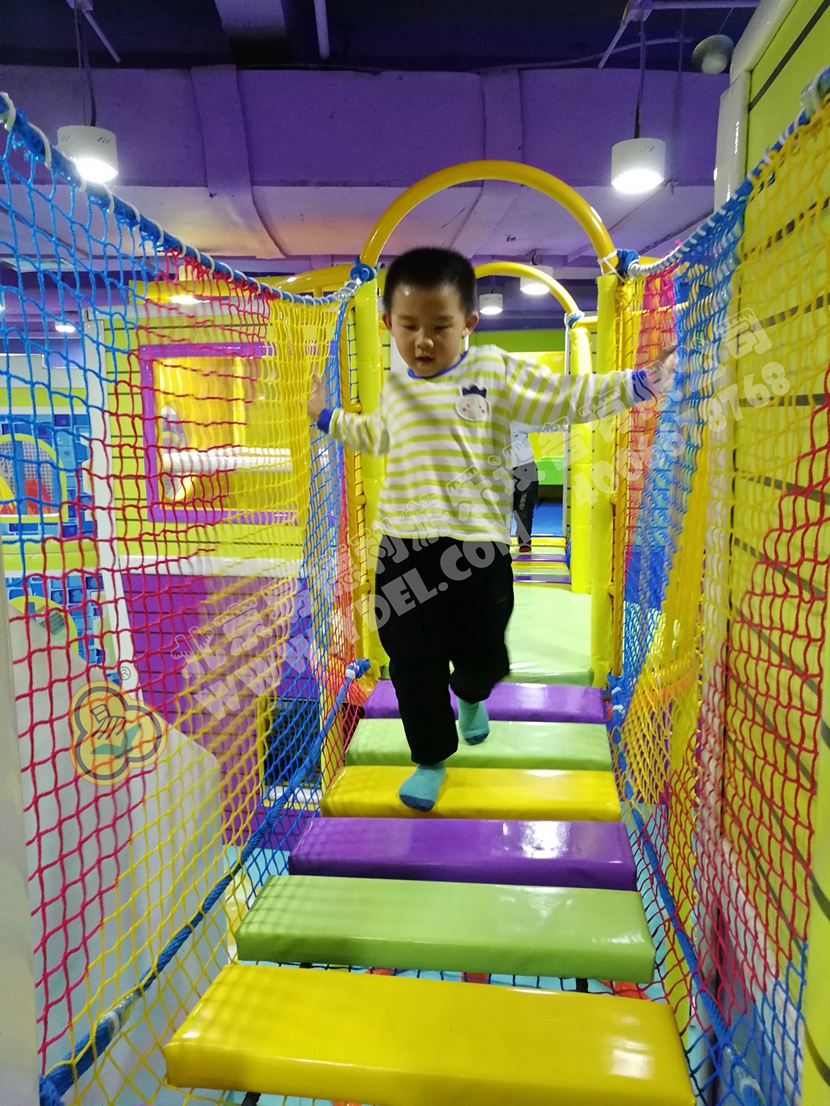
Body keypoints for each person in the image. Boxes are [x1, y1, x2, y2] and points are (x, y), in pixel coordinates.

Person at [308, 247, 676, 812]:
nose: (422, 342)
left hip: (477, 550)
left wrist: (638, 384)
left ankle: (472, 692)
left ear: (469, 324)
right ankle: (431, 757)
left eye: (440, 327)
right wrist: (326, 418)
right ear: (387, 324)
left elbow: (564, 397)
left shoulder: (494, 372)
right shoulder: (397, 386)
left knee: (483, 654)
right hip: (403, 549)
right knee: (411, 663)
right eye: (408, 327)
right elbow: (377, 434)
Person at [511, 428, 538, 553]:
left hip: (525, 468)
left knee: (524, 508)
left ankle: (524, 540)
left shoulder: (521, 421)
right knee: (501, 508)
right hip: (500, 467)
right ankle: (500, 540)